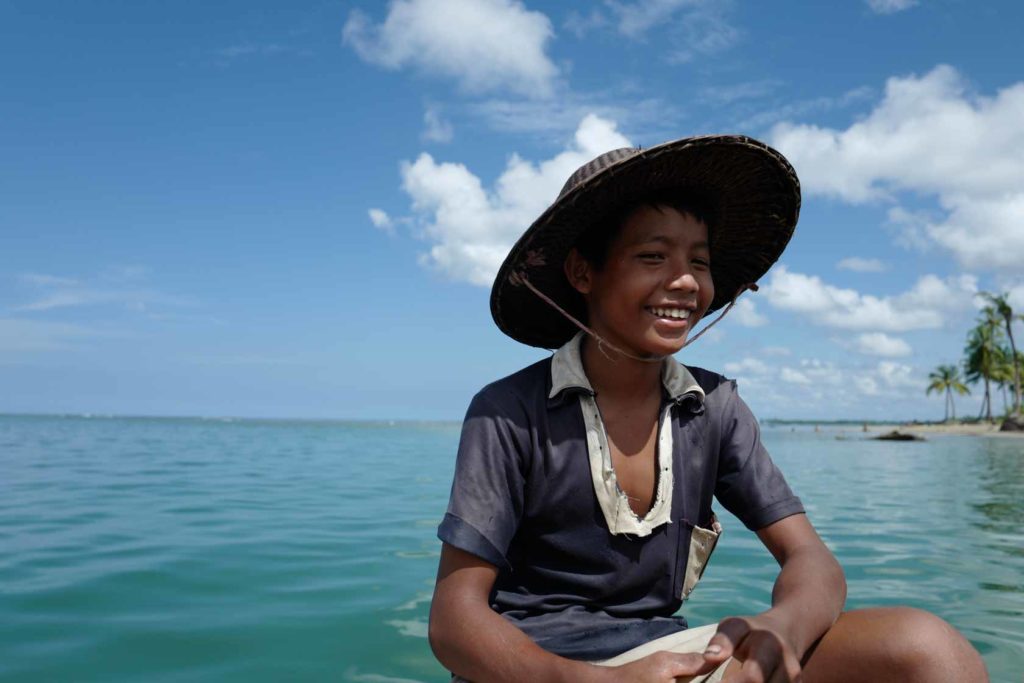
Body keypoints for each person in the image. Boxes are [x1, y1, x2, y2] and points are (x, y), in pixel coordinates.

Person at [428, 136, 987, 682]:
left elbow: (812, 561)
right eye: (652, 256)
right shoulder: (506, 412)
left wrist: (780, 631)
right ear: (582, 273)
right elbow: (454, 622)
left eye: (699, 261)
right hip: (537, 667)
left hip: (668, 652)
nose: (684, 281)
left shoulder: (714, 407)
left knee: (928, 650)